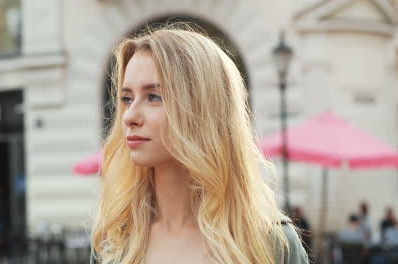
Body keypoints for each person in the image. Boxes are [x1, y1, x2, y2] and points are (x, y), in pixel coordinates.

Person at [89, 25, 308, 264]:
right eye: (127, 99)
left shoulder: (270, 243)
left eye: (153, 96)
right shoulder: (115, 244)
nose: (129, 116)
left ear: (202, 109)